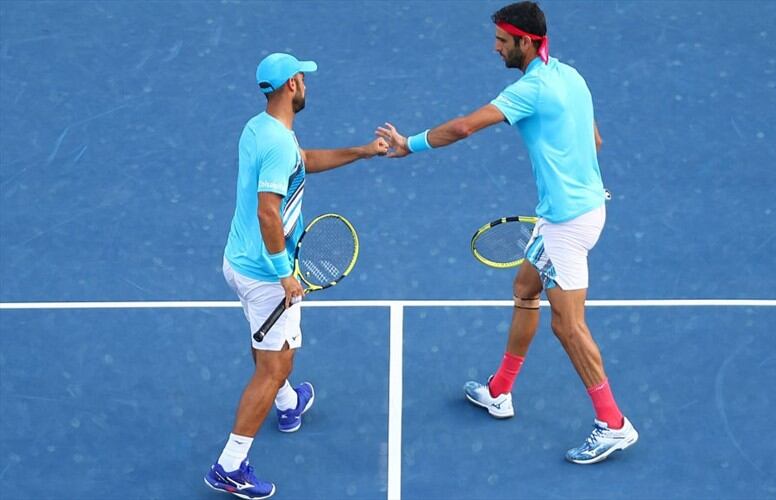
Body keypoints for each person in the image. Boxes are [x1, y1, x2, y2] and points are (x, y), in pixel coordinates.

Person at [376, 1, 637, 464]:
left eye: (502, 41)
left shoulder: (530, 90)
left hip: (566, 225)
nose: (495, 49)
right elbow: (594, 140)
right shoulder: (571, 76)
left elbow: (462, 127)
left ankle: (612, 423)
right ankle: (500, 391)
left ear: (526, 41)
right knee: (524, 287)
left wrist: (408, 145)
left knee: (568, 324)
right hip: (582, 207)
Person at [205, 52, 389, 499]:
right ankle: (229, 466)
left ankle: (289, 404)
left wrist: (361, 152)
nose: (307, 84)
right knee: (274, 365)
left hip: (238, 260)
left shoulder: (261, 128)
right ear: (292, 84)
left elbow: (301, 160)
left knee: (270, 348)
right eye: (302, 78)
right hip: (266, 272)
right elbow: (269, 212)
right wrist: (284, 273)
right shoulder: (278, 144)